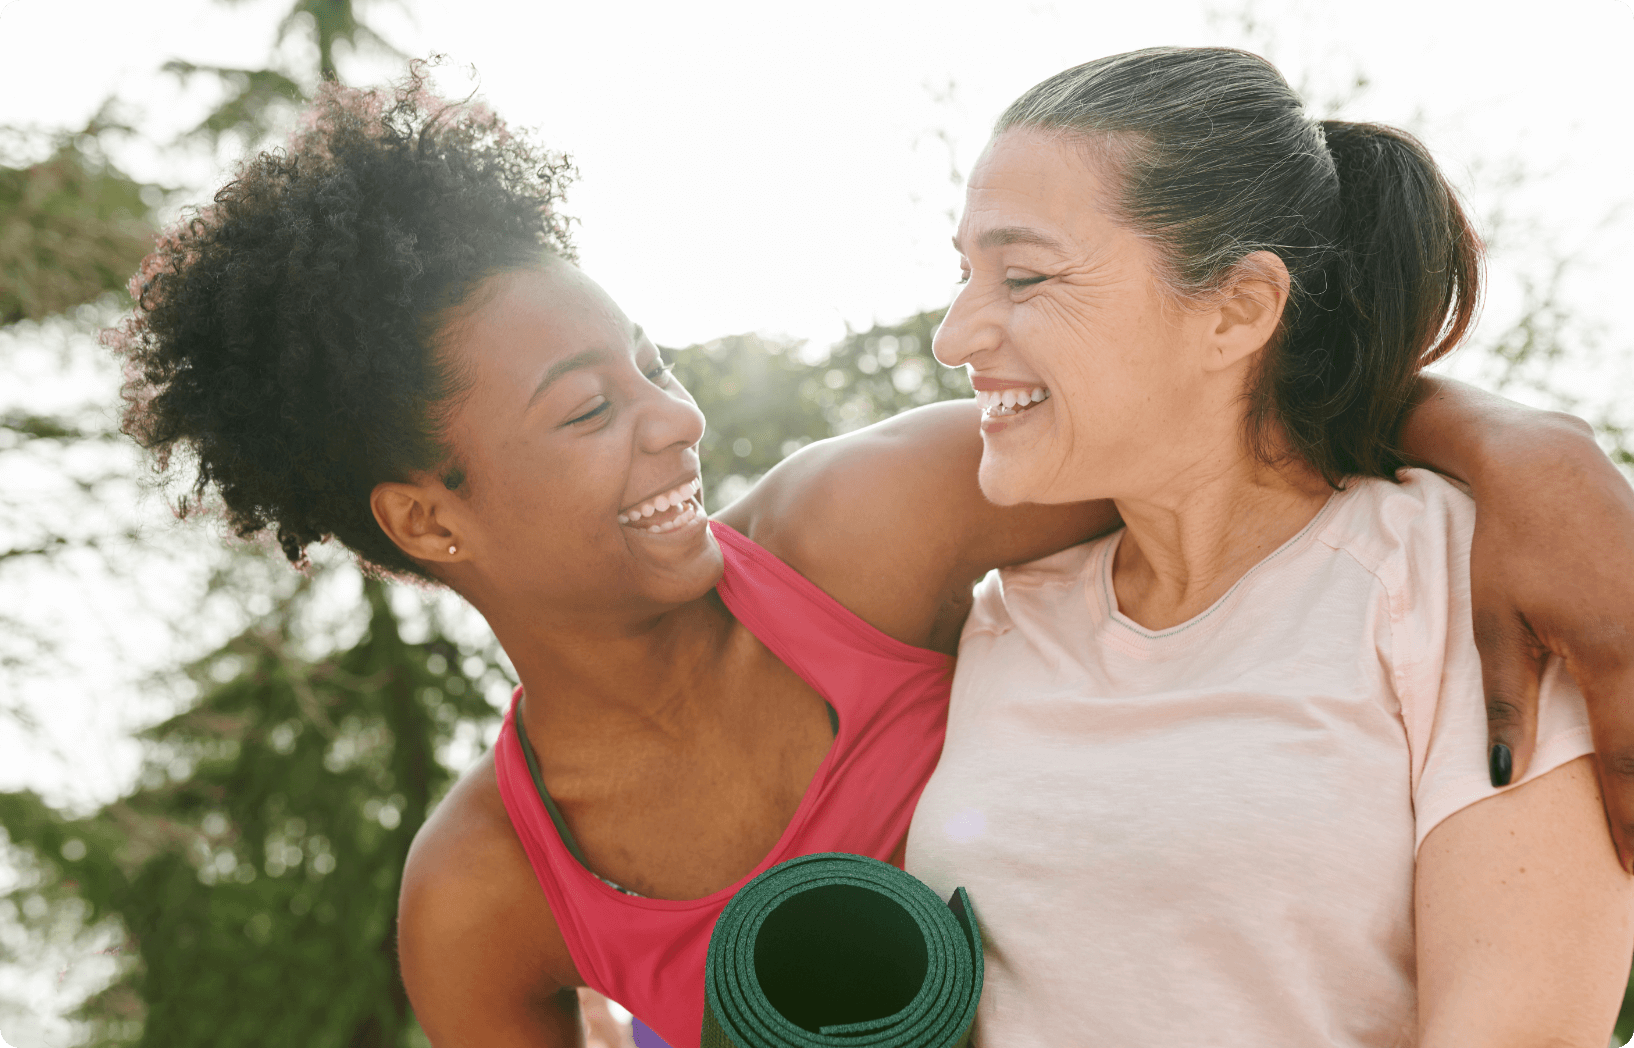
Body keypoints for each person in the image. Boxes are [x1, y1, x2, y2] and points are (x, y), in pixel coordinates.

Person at [108, 65, 1634, 1048]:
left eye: (651, 360)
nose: (678, 419)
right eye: (587, 408)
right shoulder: (483, 896)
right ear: (428, 519)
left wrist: (1533, 455)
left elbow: (1224, 424)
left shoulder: (871, 529)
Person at [907, 46, 1634, 1048]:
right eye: (963, 273)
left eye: (1022, 275)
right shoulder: (999, 616)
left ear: (1238, 308)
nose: (953, 336)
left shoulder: (1440, 576)